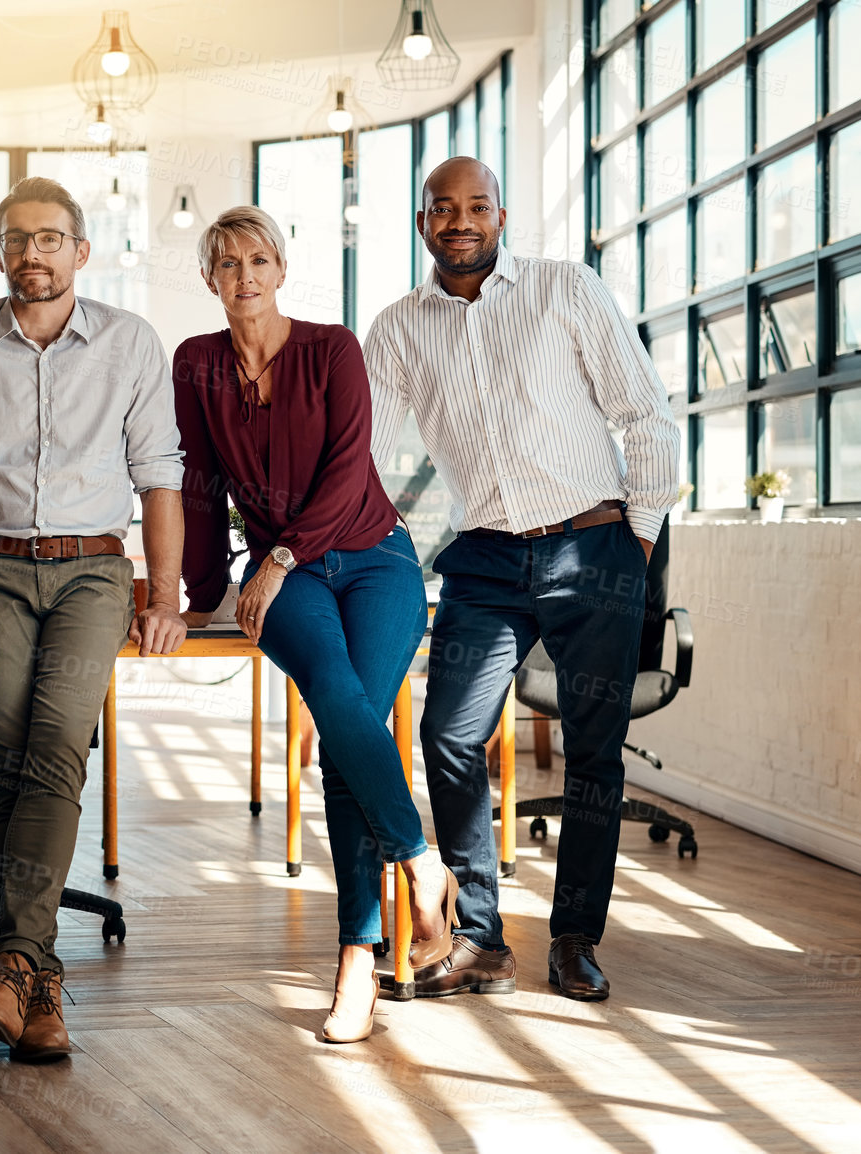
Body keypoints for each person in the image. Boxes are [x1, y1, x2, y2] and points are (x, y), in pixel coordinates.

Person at [364, 157, 681, 1002]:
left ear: (501, 215)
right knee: (450, 736)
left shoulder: (564, 290)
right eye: (442, 207)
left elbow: (644, 413)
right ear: (422, 220)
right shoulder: (398, 328)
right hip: (486, 560)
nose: (460, 220)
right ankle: (480, 940)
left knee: (592, 754)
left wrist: (635, 543)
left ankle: (576, 938)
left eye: (476, 206)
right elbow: (360, 455)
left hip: (594, 544)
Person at [0, 176, 186, 1062]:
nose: (34, 254)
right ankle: (39, 984)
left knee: (56, 741)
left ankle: (14, 961)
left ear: (81, 250)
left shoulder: (132, 343)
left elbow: (159, 474)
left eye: (51, 238)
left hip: (94, 573)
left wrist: (165, 593)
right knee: (17, 749)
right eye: (18, 239)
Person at [174, 205, 457, 1044]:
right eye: (226, 264)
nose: (244, 276)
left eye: (258, 259)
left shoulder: (332, 349)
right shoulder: (196, 364)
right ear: (209, 279)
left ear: (281, 268)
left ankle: (356, 960)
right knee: (338, 700)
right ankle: (420, 863)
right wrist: (199, 590)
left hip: (373, 558)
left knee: (347, 736)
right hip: (284, 577)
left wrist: (279, 558)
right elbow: (195, 481)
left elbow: (346, 471)